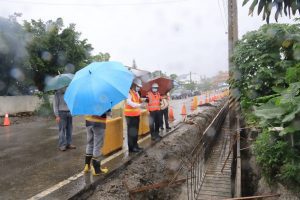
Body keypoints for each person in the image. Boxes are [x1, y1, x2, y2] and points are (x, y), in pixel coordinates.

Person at [83, 111, 110, 176]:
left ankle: (87, 166)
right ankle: (97, 170)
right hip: (99, 123)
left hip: (88, 121)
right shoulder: (103, 100)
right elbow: (108, 113)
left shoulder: (88, 100)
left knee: (90, 143)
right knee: (97, 146)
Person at [53, 87, 76, 151]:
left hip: (69, 112)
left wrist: (72, 111)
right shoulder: (57, 93)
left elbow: (72, 102)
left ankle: (69, 143)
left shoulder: (70, 92)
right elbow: (55, 105)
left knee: (69, 129)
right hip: (61, 113)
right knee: (62, 130)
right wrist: (57, 115)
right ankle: (62, 145)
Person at [124, 78, 144, 153]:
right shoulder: (129, 92)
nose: (138, 88)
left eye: (139, 86)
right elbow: (129, 103)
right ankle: (131, 148)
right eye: (137, 86)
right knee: (131, 132)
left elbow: (139, 100)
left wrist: (143, 100)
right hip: (130, 116)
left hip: (136, 115)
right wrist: (140, 105)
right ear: (133, 85)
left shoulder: (136, 93)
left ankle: (136, 145)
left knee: (135, 131)